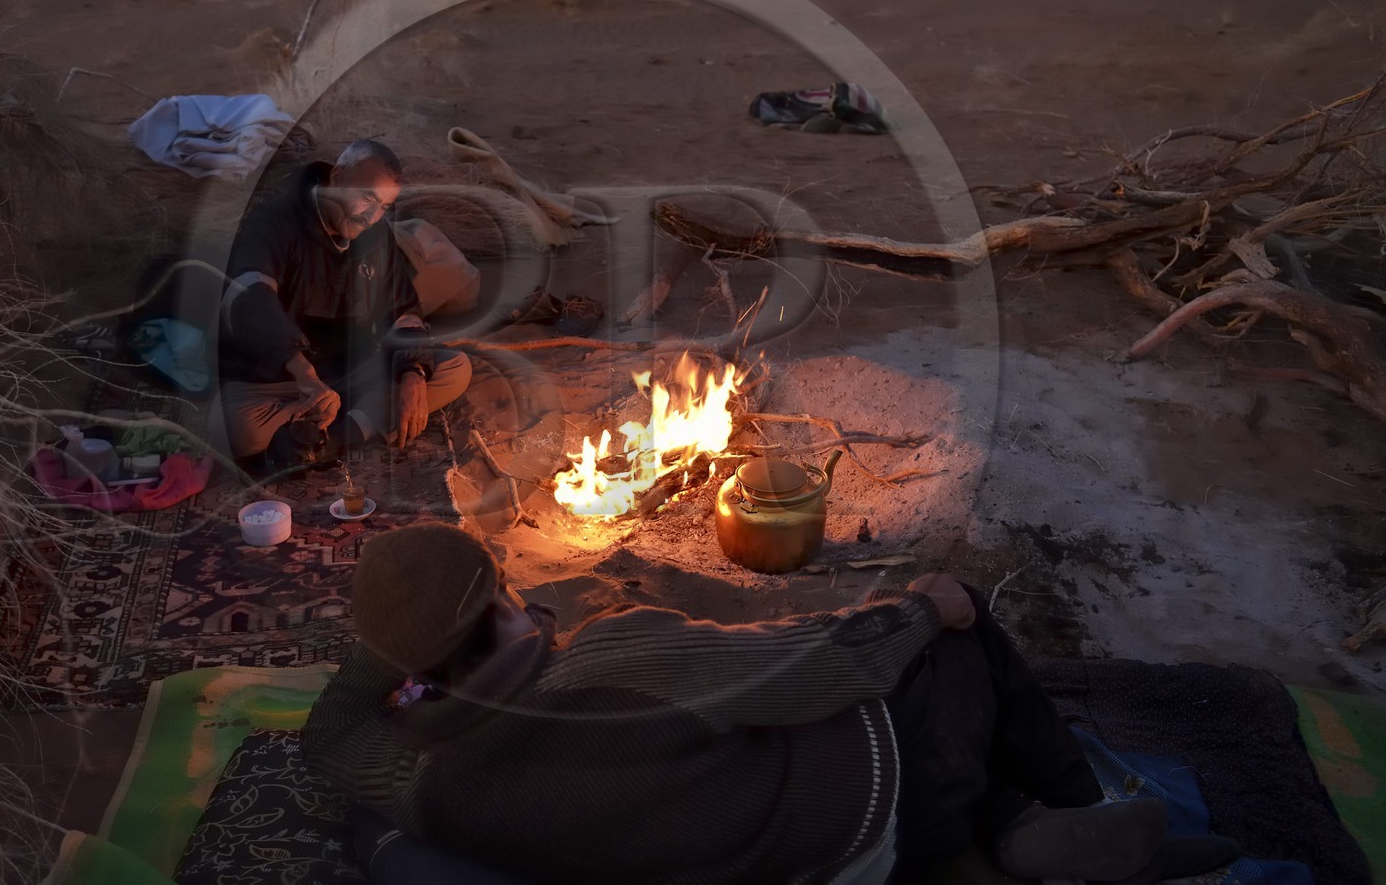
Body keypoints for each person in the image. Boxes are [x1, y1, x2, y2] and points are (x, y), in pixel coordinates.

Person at [302, 523, 1244, 885]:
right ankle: (1072, 813)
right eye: (505, 590)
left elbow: (332, 723)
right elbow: (818, 666)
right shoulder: (609, 660)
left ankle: (1016, 829)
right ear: (499, 610)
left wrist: (402, 641)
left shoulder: (412, 770)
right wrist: (920, 606)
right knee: (955, 649)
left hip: (753, 857)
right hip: (860, 818)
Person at [213, 140, 472, 469]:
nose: (372, 217)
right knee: (237, 431)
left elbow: (404, 310)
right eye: (367, 197)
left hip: (350, 371)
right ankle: (356, 421)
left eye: (383, 206)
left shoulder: (375, 232)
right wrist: (304, 374)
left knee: (455, 369)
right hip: (282, 380)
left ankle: (329, 442)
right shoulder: (275, 219)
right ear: (338, 177)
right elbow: (249, 298)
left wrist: (414, 373)